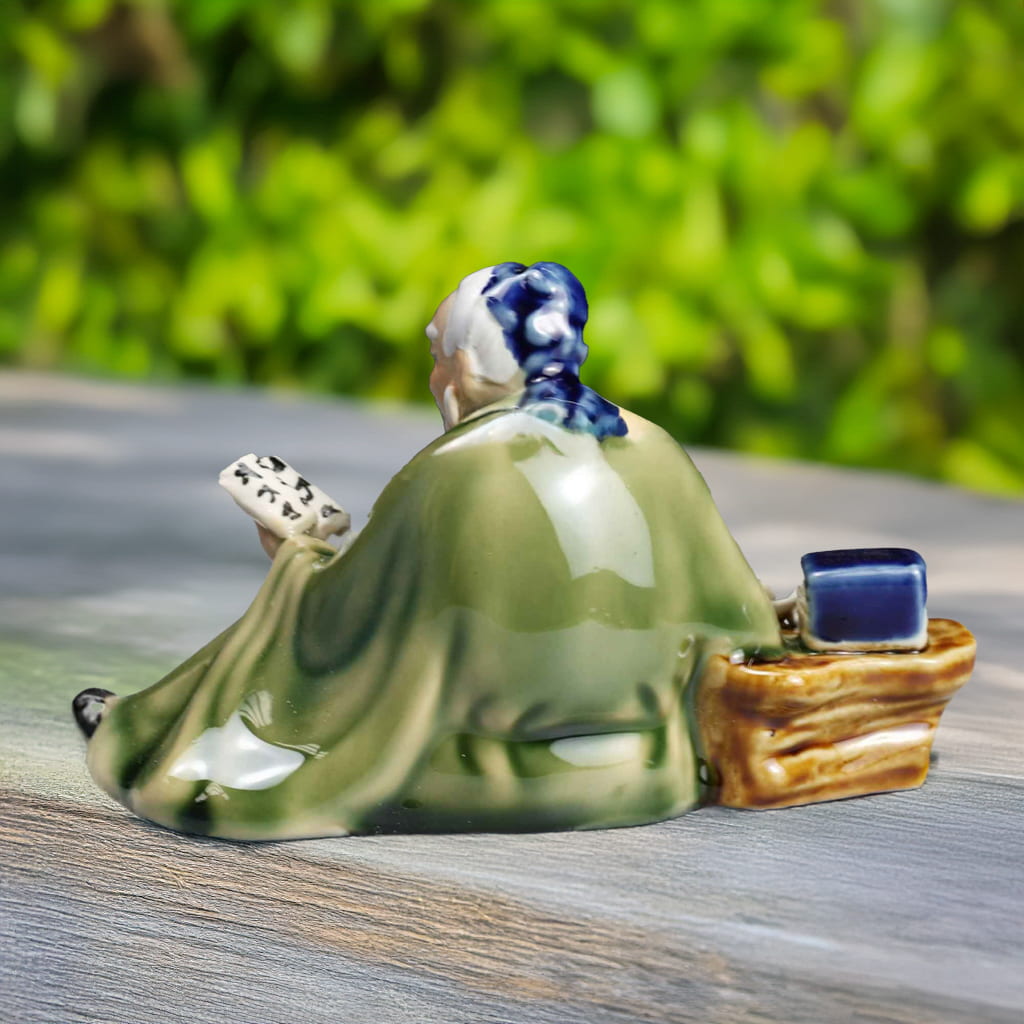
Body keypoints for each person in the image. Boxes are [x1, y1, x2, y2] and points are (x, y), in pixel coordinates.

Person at [74, 262, 782, 839]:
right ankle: (140, 716)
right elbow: (742, 615)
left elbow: (345, 626)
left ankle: (138, 728)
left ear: (467, 369)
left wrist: (295, 556)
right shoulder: (652, 447)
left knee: (274, 647)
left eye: (437, 354)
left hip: (481, 772)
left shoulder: (454, 471)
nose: (436, 377)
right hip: (644, 762)